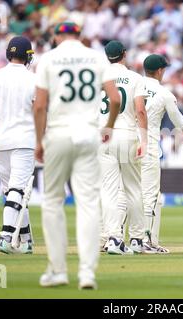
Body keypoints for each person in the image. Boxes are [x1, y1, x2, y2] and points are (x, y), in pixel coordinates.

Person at [33, 22, 120, 289]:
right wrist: (109, 126)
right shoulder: (95, 57)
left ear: (58, 36)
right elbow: (115, 99)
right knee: (89, 204)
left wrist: (39, 140)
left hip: (58, 133)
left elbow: (40, 106)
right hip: (87, 134)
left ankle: (58, 270)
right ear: (80, 36)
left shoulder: (48, 59)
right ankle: (87, 273)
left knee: (52, 202)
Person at [140, 54, 183, 253]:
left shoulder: (133, 85)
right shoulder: (164, 93)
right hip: (150, 145)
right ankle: (147, 242)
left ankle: (119, 238)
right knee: (151, 195)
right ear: (161, 71)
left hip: (128, 144)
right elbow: (180, 123)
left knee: (127, 193)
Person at [99, 40, 148, 255]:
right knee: (133, 189)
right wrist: (144, 139)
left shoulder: (99, 76)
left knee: (108, 191)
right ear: (124, 54)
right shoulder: (136, 78)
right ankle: (136, 239)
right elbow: (140, 111)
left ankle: (113, 239)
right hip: (127, 134)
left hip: (104, 135)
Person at [0, 36, 36, 255]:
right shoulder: (34, 80)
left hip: (0, 141)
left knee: (13, 193)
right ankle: (6, 235)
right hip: (24, 140)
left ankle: (26, 240)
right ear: (28, 56)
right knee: (17, 190)